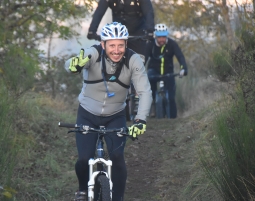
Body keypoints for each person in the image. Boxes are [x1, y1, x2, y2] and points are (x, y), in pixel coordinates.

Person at [64, 22, 152, 201]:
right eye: (112, 45)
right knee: (84, 159)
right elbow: (72, 62)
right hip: (87, 113)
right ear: (103, 44)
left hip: (115, 116)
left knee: (117, 157)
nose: (117, 50)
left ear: (126, 44)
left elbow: (145, 91)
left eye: (121, 45)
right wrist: (74, 65)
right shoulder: (94, 53)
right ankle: (82, 189)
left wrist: (140, 120)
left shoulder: (133, 59)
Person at [87, 0, 155, 63]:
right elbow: (99, 12)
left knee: (139, 64)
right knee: (109, 62)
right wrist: (92, 31)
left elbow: (148, 12)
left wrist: (150, 31)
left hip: (138, 36)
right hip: (118, 36)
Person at [146, 23, 188, 118]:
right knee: (150, 87)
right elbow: (144, 58)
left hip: (168, 72)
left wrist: (184, 68)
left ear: (166, 36)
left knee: (172, 96)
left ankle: (173, 119)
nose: (161, 40)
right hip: (154, 71)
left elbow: (180, 56)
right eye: (159, 37)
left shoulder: (172, 44)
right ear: (156, 36)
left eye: (163, 37)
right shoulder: (150, 45)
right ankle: (152, 105)